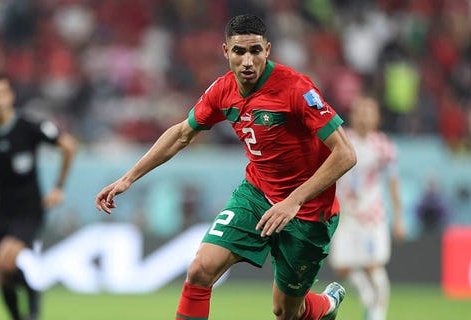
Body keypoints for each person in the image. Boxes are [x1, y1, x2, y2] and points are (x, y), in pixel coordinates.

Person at [95, 14, 356, 320]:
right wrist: (128, 178)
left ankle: (325, 305)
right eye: (239, 51)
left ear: (268, 50)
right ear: (225, 51)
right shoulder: (222, 91)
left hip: (308, 210)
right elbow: (181, 134)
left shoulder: (296, 89)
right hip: (257, 194)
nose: (247, 61)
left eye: (255, 51)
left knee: (286, 312)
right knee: (200, 270)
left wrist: (293, 201)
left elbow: (346, 154)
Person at [0, 73, 76, 320]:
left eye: (2, 94)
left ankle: (33, 305)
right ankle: (19, 315)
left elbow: (68, 146)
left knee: (5, 261)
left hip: (30, 209)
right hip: (1, 210)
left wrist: (59, 187)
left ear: (11, 96)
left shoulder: (28, 126)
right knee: (3, 274)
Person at [329, 96, 404, 320]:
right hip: (345, 215)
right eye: (359, 111)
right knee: (341, 266)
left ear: (377, 117)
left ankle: (377, 314)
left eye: (368, 112)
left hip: (372, 217)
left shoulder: (384, 146)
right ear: (352, 115)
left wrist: (398, 217)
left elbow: (393, 182)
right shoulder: (342, 139)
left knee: (373, 265)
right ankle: (367, 295)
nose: (363, 116)